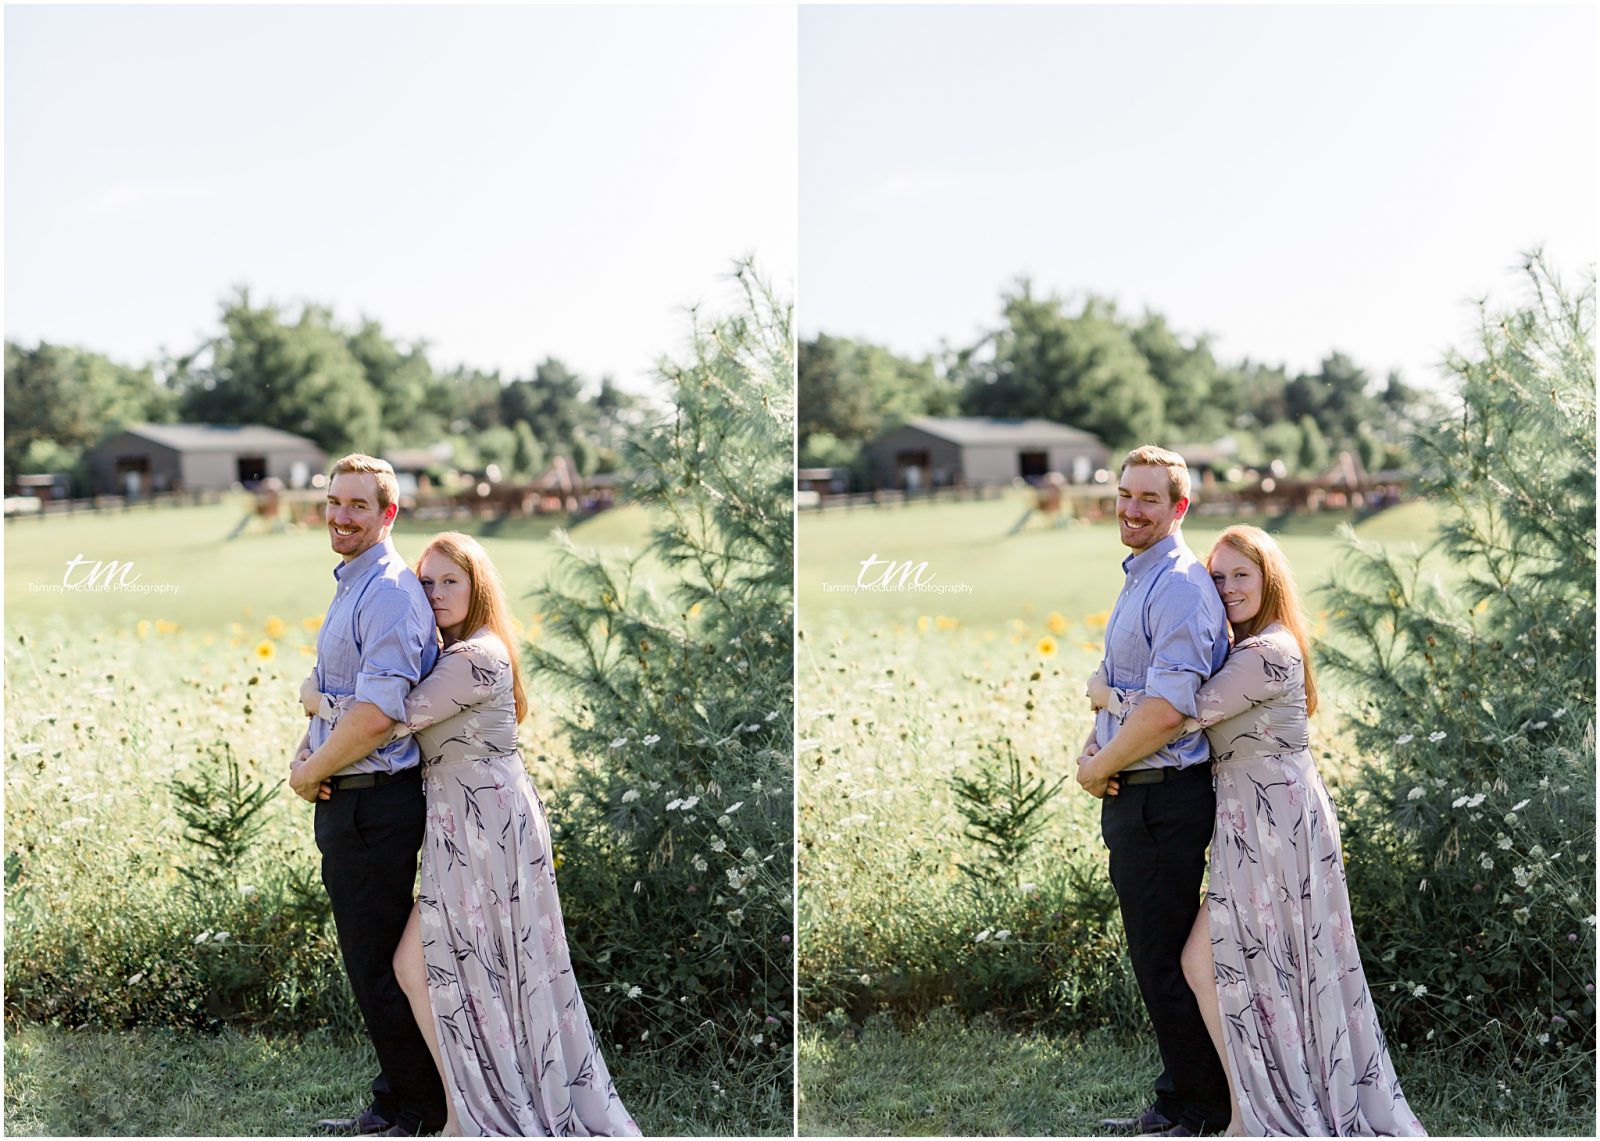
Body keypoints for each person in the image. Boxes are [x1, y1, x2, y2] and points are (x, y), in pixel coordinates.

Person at [1086, 526, 1426, 1137]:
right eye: (1217, 577)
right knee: (1237, 964)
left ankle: (1262, 1110)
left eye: (1242, 575)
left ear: (1269, 580)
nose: (1227, 587)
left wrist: (1104, 694)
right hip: (1248, 822)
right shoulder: (1244, 649)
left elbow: (1182, 713)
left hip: (1279, 824)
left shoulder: (1270, 652)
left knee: (1235, 962)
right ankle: (1248, 1107)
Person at [300, 532, 639, 1137]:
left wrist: (314, 699)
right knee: (455, 967)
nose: (434, 593)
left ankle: (472, 1112)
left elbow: (393, 718)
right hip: (461, 823)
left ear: (477, 587)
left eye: (450, 581)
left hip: (489, 825)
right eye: (426, 582)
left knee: (428, 964)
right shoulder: (451, 654)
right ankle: (462, 1106)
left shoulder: (477, 658)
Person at [1074, 445, 1232, 1137]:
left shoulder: (1177, 585)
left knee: (1165, 959)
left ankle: (1200, 1110)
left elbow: (1167, 711)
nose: (1132, 509)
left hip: (1164, 796)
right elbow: (1125, 689)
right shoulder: (1141, 578)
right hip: (1134, 788)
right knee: (1154, 953)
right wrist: (1097, 745)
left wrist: (1095, 765)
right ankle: (1177, 1099)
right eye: (1125, 495)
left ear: (1179, 508)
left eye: (1148, 499)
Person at [290, 454, 448, 1137]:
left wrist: (307, 772)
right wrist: (313, 739)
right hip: (352, 792)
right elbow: (348, 691)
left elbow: (379, 712)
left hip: (373, 801)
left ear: (388, 514)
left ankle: (415, 1111)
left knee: (377, 964)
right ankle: (395, 1100)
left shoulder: (384, 589)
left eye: (358, 505)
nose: (341, 516)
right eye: (334, 502)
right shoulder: (356, 583)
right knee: (373, 958)